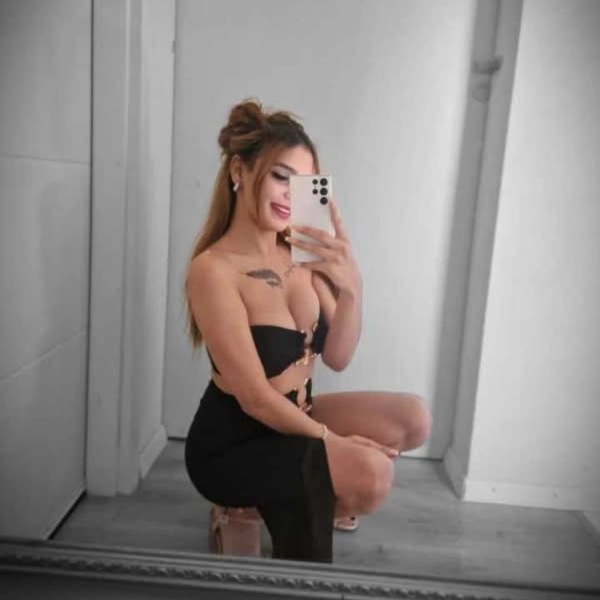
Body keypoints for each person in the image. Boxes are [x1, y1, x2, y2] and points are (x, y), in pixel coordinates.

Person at [184, 99, 431, 563]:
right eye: (280, 176)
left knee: (413, 418)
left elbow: (338, 356)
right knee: (372, 475)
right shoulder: (214, 270)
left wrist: (352, 287)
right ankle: (245, 503)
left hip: (296, 414)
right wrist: (333, 442)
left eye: (303, 184)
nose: (289, 195)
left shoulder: (299, 253)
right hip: (235, 443)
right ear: (239, 171)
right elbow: (256, 399)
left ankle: (300, 494)